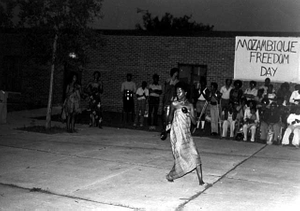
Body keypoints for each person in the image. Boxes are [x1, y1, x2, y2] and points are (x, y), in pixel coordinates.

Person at [165, 81, 205, 185]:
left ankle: (201, 180)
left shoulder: (190, 105)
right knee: (179, 156)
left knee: (195, 154)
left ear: (185, 92)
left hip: (186, 134)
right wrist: (168, 124)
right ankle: (171, 175)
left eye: (180, 92)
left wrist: (188, 114)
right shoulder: (174, 104)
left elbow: (194, 122)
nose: (178, 94)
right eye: (177, 92)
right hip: (176, 134)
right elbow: (169, 117)